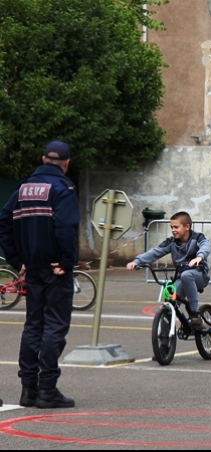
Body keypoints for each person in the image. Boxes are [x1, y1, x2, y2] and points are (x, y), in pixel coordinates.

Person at [0, 141, 80, 409]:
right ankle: (47, 389)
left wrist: (16, 259)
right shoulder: (63, 189)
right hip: (55, 269)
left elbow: (4, 220)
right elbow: (67, 227)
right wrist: (67, 262)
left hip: (32, 268)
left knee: (33, 325)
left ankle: (28, 390)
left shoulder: (22, 189)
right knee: (54, 326)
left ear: (43, 159)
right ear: (66, 163)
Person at [126, 211, 210, 328]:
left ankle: (195, 313)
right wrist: (137, 261)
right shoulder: (171, 242)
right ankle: (165, 340)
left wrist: (200, 257)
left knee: (186, 275)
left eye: (176, 227)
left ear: (187, 227)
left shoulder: (198, 238)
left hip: (200, 275)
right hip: (181, 277)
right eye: (171, 227)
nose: (173, 230)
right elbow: (155, 252)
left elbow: (205, 246)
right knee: (169, 303)